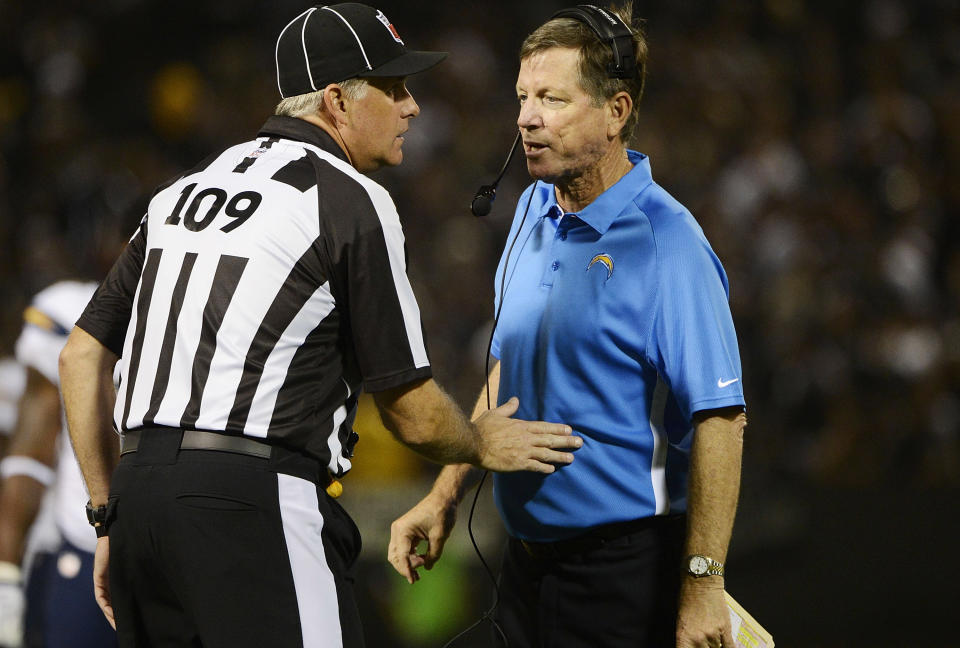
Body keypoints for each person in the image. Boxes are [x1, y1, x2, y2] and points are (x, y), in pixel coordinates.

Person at [58, 4, 581, 648]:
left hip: (137, 502)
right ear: (337, 100)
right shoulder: (350, 199)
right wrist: (479, 444)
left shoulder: (181, 192)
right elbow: (410, 412)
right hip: (253, 501)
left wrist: (108, 513)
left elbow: (81, 356)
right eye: (393, 89)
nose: (412, 106)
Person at [388, 5, 746, 648]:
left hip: (625, 575)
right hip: (523, 567)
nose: (526, 117)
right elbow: (510, 369)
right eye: (523, 97)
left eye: (552, 99)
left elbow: (721, 419)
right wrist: (444, 495)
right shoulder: (531, 206)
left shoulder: (670, 241)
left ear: (616, 111)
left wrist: (702, 586)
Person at [0, 282, 117, 648]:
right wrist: (5, 569)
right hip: (88, 546)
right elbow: (32, 449)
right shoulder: (72, 308)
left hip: (184, 548)